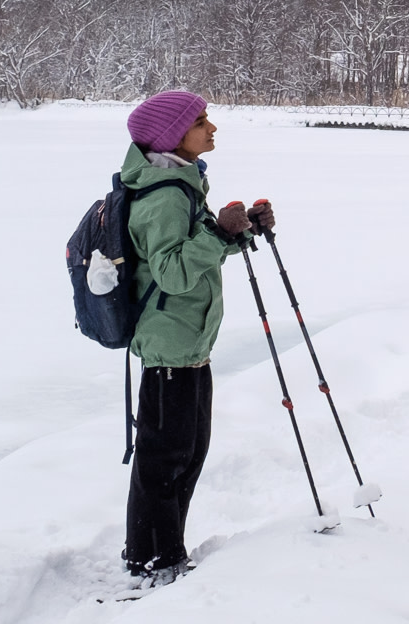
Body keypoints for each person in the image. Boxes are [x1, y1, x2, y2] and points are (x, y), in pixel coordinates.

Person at [118, 89, 273, 585]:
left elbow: (198, 254)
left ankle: (162, 552)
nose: (211, 127)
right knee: (165, 460)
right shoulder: (163, 195)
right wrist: (216, 234)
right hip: (170, 346)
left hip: (188, 344)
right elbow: (173, 273)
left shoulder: (182, 183)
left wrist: (238, 232)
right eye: (201, 121)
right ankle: (154, 560)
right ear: (172, 136)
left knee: (186, 453)